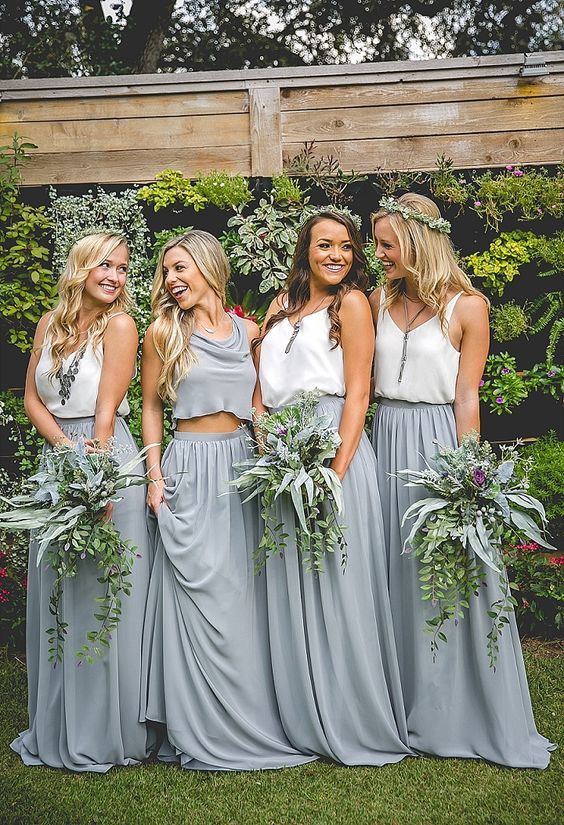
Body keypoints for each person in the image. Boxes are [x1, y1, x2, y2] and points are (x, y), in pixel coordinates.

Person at [370, 193, 554, 768]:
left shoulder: (468, 307)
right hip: (383, 442)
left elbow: (467, 396)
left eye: (386, 244)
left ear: (418, 241)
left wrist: (467, 478)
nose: (378, 255)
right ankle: (395, 707)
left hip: (435, 445)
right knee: (390, 573)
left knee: (448, 577)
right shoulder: (377, 298)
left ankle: (452, 710)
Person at [139, 230, 314, 771]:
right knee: (199, 597)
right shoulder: (162, 333)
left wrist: (277, 456)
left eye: (181, 267)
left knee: (242, 599)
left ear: (209, 266)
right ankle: (194, 723)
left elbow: (262, 401)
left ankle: (252, 715)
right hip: (189, 463)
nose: (172, 279)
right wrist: (154, 473)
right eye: (166, 270)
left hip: (242, 467)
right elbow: (148, 408)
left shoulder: (249, 331)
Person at [252, 211, 412, 765]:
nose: (337, 255)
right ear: (306, 249)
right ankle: (295, 711)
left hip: (332, 450)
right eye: (325, 245)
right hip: (279, 454)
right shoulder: (279, 306)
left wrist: (334, 472)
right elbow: (258, 389)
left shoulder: (354, 305)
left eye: (346, 247)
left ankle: (346, 712)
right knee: (289, 581)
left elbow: (359, 395)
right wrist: (262, 434)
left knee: (337, 582)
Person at [11, 231, 154, 772]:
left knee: (101, 591)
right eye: (105, 265)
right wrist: (63, 452)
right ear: (82, 266)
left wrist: (91, 474)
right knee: (60, 589)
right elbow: (31, 396)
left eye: (122, 268)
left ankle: (107, 729)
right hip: (62, 459)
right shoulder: (50, 323)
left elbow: (106, 411)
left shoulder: (120, 325)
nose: (115, 276)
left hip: (104, 460)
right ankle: (58, 721)